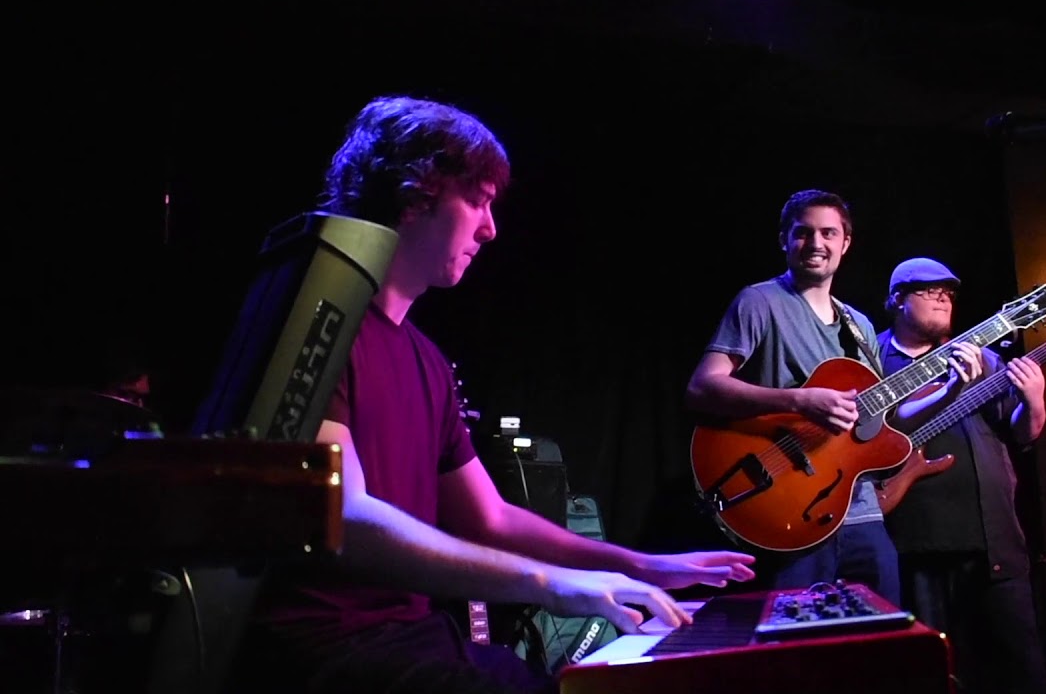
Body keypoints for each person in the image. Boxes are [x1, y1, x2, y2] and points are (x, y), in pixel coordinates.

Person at [242, 95, 755, 694]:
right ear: (417, 194)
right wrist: (550, 584)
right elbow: (345, 515)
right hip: (325, 644)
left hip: (413, 634)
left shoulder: (428, 361)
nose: (491, 229)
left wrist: (635, 563)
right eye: (479, 201)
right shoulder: (320, 322)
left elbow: (488, 518)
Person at [683, 190, 982, 606]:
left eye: (828, 233)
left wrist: (950, 389)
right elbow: (703, 388)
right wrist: (800, 402)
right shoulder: (759, 302)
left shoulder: (858, 324)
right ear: (784, 240)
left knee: (880, 644)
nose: (816, 243)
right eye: (804, 233)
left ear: (845, 243)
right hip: (790, 507)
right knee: (798, 654)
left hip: (859, 513)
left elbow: (888, 422)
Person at [876, 257, 1046, 694]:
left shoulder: (984, 357)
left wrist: (1035, 399)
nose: (942, 297)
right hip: (917, 549)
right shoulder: (873, 361)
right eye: (928, 289)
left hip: (994, 545)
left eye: (949, 292)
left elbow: (1022, 433)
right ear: (897, 299)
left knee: (1019, 674)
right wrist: (947, 388)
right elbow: (877, 435)